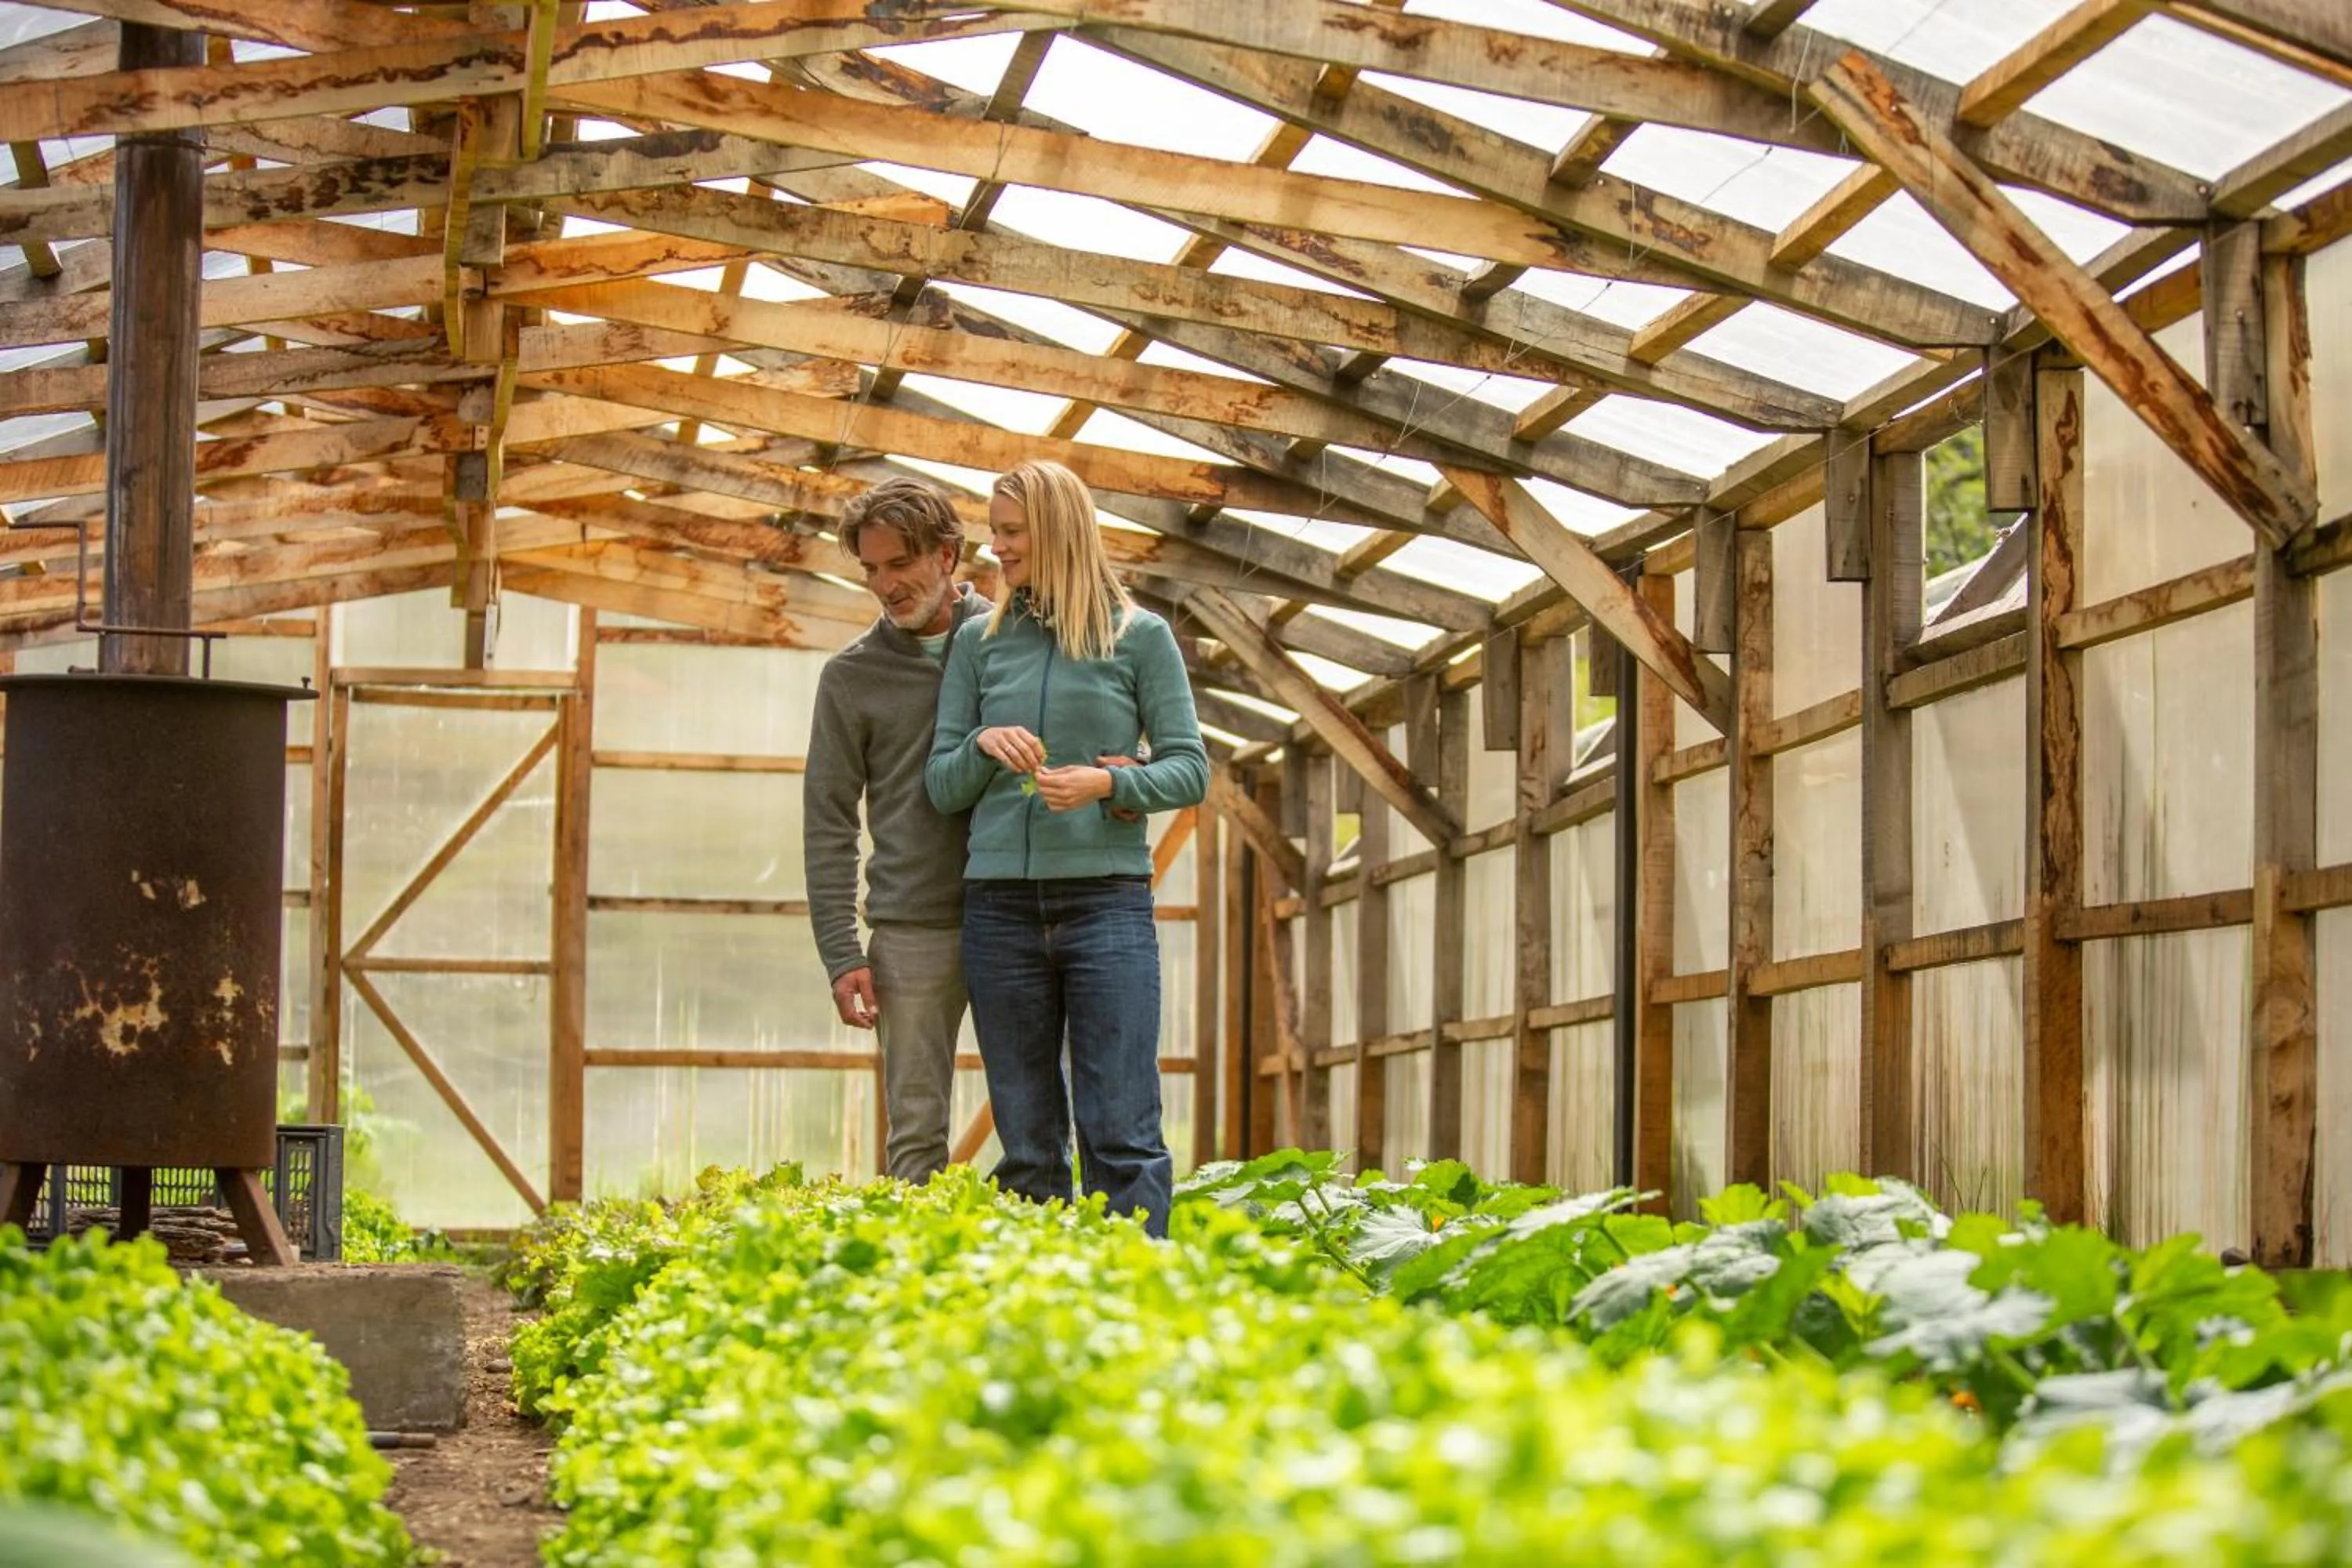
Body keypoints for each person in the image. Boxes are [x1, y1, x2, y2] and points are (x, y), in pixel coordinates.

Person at [925, 460, 1207, 1238]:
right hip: (1000, 911)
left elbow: (1191, 766)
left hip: (1106, 905)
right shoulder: (979, 643)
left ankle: (1132, 1306)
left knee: (1120, 1126)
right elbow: (942, 785)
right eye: (996, 529)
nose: (997, 546)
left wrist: (1107, 786)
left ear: (1057, 531)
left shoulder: (1140, 637)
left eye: (1011, 531)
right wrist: (983, 741)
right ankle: (1041, 1316)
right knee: (1028, 1140)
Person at [804, 478, 991, 1183]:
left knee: (1040, 1111)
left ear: (949, 555)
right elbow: (827, 821)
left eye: (899, 564)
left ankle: (1046, 1278)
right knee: (915, 1133)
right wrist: (840, 951)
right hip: (912, 929)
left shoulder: (1017, 642)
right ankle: (915, 1284)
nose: (885, 584)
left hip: (1019, 911)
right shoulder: (851, 677)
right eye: (871, 569)